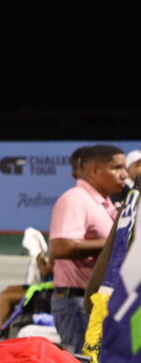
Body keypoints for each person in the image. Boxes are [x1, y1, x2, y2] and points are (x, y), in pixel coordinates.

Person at [48, 144, 127, 352]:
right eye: (117, 168)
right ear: (94, 171)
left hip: (93, 301)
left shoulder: (104, 202)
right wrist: (117, 244)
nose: (124, 174)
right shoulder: (75, 199)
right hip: (77, 303)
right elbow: (61, 246)